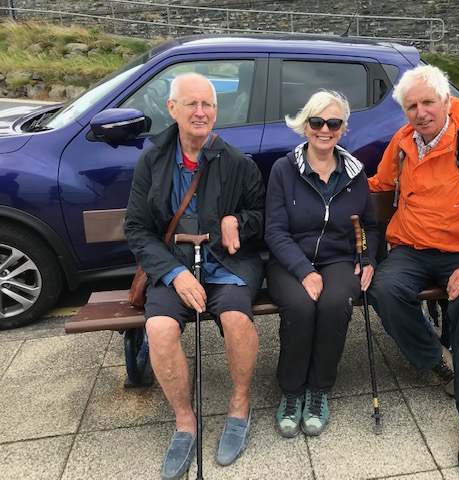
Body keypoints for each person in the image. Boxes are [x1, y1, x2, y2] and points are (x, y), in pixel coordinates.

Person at [367, 65, 459, 473]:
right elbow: (380, 185)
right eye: (411, 106)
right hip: (412, 248)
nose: (420, 112)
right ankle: (438, 360)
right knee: (382, 289)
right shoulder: (403, 141)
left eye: (428, 102)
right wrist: (332, 187)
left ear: (446, 101)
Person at [124, 72, 265, 479]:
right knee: (160, 328)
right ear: (172, 108)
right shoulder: (152, 161)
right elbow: (137, 228)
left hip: (227, 263)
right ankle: (185, 422)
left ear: (215, 111)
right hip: (173, 262)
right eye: (191, 104)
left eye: (208, 104)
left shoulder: (237, 162)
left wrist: (239, 221)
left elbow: (261, 215)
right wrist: (173, 272)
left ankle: (239, 405)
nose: (200, 112)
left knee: (236, 319)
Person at [265, 90, 378, 438]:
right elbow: (275, 231)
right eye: (317, 122)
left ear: (342, 128)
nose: (324, 130)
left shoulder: (354, 173)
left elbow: (369, 226)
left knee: (334, 304)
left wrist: (367, 258)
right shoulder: (283, 170)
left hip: (339, 258)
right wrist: (304, 272)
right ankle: (291, 391)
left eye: (333, 123)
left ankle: (318, 390)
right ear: (306, 125)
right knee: (300, 306)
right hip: (290, 260)